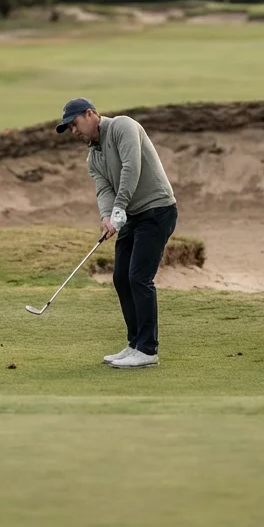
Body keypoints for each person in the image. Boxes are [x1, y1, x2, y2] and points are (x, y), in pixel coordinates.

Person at [56, 97, 178, 369]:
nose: (74, 132)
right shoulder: (93, 156)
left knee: (139, 277)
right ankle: (135, 344)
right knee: (121, 277)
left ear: (90, 114)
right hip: (132, 216)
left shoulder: (123, 126)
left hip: (157, 210)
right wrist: (107, 215)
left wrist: (120, 207)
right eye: (69, 128)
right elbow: (103, 190)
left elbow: (130, 167)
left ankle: (148, 350)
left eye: (74, 124)